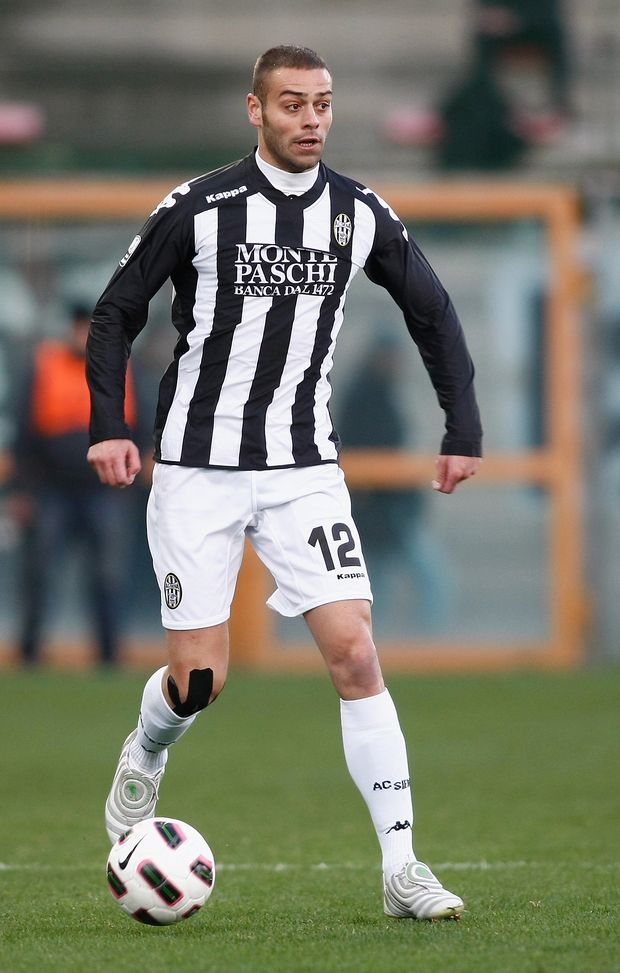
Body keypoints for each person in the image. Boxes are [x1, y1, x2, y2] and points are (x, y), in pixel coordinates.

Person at [86, 46, 482, 921]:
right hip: (196, 467)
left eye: (324, 104)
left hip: (303, 468)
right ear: (256, 111)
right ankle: (147, 750)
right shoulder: (200, 207)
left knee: (355, 651)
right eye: (293, 104)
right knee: (199, 681)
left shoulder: (356, 212)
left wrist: (463, 425)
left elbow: (434, 311)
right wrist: (109, 426)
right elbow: (117, 310)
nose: (311, 119)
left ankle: (402, 866)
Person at [11, 305, 138, 666]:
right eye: (82, 327)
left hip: (105, 489)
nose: (85, 335)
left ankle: (110, 653)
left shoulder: (121, 365)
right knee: (39, 571)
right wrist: (23, 489)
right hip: (51, 488)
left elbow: (142, 420)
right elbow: (24, 430)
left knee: (109, 573)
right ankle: (30, 651)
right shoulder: (44, 364)